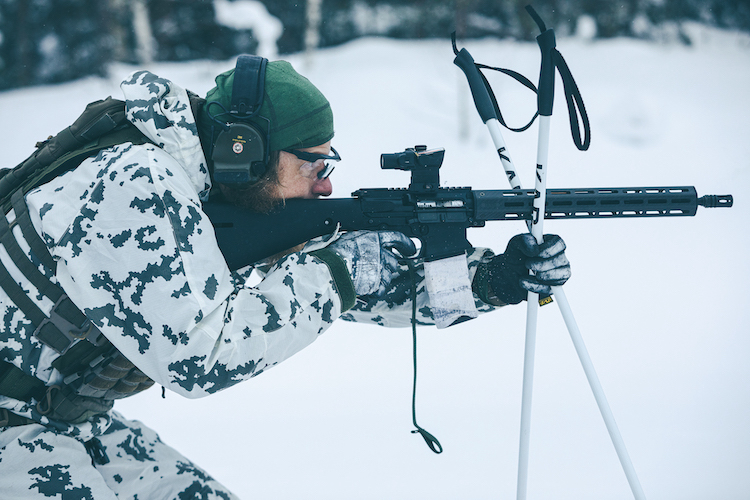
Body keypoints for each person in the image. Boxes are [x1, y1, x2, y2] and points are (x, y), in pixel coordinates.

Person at [0, 56, 570, 499]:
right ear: (244, 149)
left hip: (59, 417)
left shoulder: (218, 187)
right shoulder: (133, 186)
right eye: (312, 165)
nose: (323, 186)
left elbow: (351, 285)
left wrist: (489, 282)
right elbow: (201, 355)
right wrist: (341, 269)